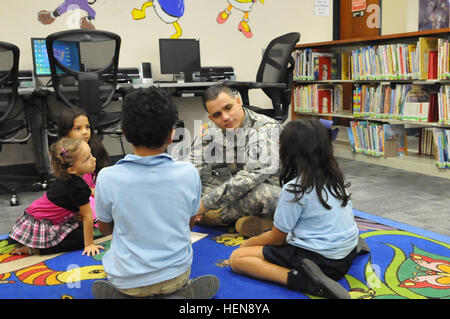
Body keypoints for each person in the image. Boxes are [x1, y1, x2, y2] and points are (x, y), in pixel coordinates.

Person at [92, 87, 219, 299]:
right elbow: (189, 224)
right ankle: (181, 294)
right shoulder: (188, 173)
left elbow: (105, 229)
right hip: (176, 275)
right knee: (177, 282)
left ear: (124, 132)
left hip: (126, 281)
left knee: (121, 280)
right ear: (172, 134)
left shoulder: (107, 177)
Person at [228, 118, 366, 299]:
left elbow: (277, 239)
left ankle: (302, 281)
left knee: (237, 258)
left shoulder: (295, 189)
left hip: (322, 262)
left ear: (289, 152)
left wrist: (247, 243)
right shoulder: (335, 176)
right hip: (345, 253)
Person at [191, 84, 283, 237]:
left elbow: (249, 178)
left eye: (228, 108)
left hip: (273, 190)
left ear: (239, 102)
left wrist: (203, 204)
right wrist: (187, 196)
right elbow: (192, 167)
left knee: (260, 194)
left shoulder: (266, 129)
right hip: (234, 187)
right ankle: (255, 221)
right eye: (217, 115)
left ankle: (209, 217)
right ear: (211, 118)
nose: (225, 117)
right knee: (199, 187)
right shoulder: (211, 131)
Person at [8, 137, 104, 256]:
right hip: (42, 225)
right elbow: (87, 216)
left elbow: (88, 191)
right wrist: (89, 244)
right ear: (72, 169)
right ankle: (37, 249)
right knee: (80, 238)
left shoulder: (67, 178)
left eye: (91, 154)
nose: (94, 159)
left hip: (34, 219)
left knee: (80, 228)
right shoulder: (78, 187)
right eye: (87, 159)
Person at [58, 107, 112, 222]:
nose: (85, 132)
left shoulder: (96, 147)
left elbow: (104, 180)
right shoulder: (64, 154)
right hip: (80, 196)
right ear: (66, 133)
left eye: (87, 127)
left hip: (96, 193)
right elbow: (71, 189)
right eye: (77, 128)